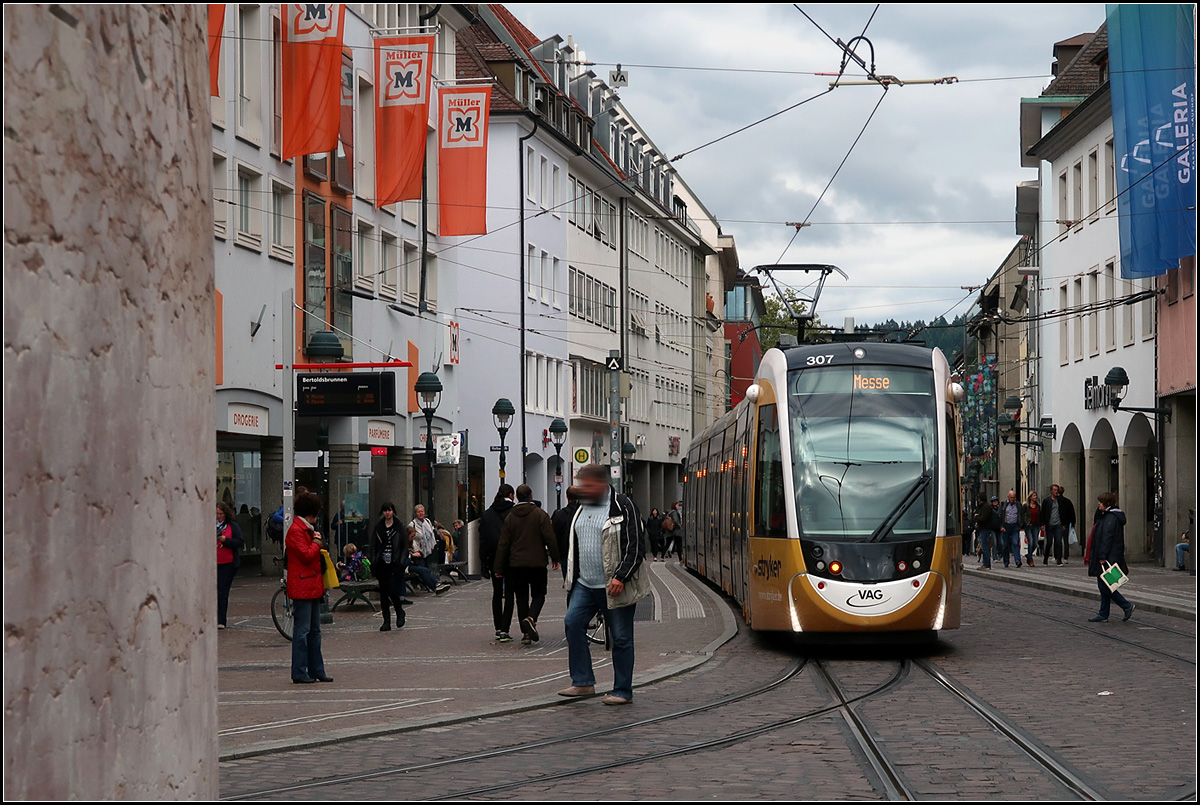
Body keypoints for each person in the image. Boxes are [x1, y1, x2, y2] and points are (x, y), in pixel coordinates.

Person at [559, 464, 650, 706]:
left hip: (613, 584)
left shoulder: (623, 506)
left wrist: (621, 576)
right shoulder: (581, 508)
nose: (583, 490)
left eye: (587, 485)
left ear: (601, 484)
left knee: (620, 637)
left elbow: (636, 546)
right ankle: (583, 682)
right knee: (572, 623)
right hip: (584, 583)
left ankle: (622, 690)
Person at [495, 484, 560, 645]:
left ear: (516, 496)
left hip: (517, 564)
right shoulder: (540, 515)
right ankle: (532, 618)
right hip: (537, 562)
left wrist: (498, 567)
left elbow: (503, 544)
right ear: (530, 495)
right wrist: (555, 557)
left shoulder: (511, 517)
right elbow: (550, 538)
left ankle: (526, 634)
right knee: (539, 594)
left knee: (521, 598)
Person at [287, 491, 332, 684]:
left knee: (315, 631)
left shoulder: (305, 529)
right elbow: (306, 555)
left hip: (312, 585)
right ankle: (299, 671)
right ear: (311, 513)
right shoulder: (297, 531)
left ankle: (316, 669)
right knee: (303, 631)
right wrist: (316, 543)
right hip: (303, 584)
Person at [1087, 492, 1134, 623]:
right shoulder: (1105, 516)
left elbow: (1106, 538)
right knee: (1105, 585)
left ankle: (1126, 605)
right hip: (1108, 555)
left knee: (1105, 586)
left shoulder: (1111, 518)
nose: (1098, 504)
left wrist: (1102, 555)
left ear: (1106, 504)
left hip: (1108, 556)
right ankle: (1103, 614)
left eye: (1100, 503)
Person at [480, 485, 517, 641]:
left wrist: (483, 562)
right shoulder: (514, 512)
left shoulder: (488, 514)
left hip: (494, 558)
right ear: (510, 495)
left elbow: (483, 540)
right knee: (509, 594)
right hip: (512, 558)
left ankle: (498, 627)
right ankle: (505, 628)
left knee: (496, 593)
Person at [370, 502, 408, 631]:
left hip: (395, 563)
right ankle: (386, 621)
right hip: (382, 564)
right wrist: (374, 560)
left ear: (393, 511)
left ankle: (399, 611)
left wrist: (401, 562)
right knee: (383, 593)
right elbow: (373, 545)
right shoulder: (378, 528)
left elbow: (404, 546)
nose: (387, 513)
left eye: (390, 510)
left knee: (392, 590)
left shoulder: (399, 527)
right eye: (385, 510)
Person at [216, 501, 244, 630]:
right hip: (213, 563)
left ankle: (221, 620)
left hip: (227, 564)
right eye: (216, 514)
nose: (219, 516)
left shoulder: (232, 526)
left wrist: (225, 540)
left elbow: (240, 542)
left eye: (221, 514)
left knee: (222, 592)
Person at [406, 524, 449, 596]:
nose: (413, 538)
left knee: (425, 570)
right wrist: (412, 555)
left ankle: (436, 585)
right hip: (405, 565)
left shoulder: (411, 543)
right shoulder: (403, 544)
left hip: (411, 563)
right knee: (422, 570)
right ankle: (435, 586)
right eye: (412, 536)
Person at [552, 486, 582, 582]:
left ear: (567, 497)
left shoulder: (559, 515)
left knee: (569, 582)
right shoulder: (584, 513)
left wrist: (556, 557)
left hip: (566, 553)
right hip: (582, 553)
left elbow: (555, 536)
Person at [999, 490, 1024, 568]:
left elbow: (1021, 515)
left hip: (1015, 526)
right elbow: (999, 516)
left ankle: (1018, 561)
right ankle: (1006, 561)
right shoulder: (1003, 505)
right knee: (1005, 545)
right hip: (1006, 526)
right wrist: (1001, 526)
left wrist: (1020, 524)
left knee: (1015, 543)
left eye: (1013, 497)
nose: (1012, 499)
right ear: (1008, 497)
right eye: (1011, 497)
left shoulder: (1018, 505)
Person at [972, 495, 996, 570]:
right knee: (985, 546)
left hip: (985, 529)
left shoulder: (985, 507)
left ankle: (986, 564)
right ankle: (986, 563)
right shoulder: (985, 507)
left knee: (985, 546)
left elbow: (983, 518)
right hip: (984, 529)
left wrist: (977, 517)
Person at [1021, 491, 1041, 566]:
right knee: (1030, 542)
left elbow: (1040, 515)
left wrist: (1041, 524)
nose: (1035, 497)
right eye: (1033, 496)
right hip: (1028, 525)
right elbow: (1022, 515)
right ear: (1030, 497)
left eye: (1036, 496)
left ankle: (1029, 555)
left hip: (1036, 525)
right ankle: (1030, 559)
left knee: (1035, 543)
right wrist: (1025, 522)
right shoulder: (1026, 506)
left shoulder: (1038, 506)